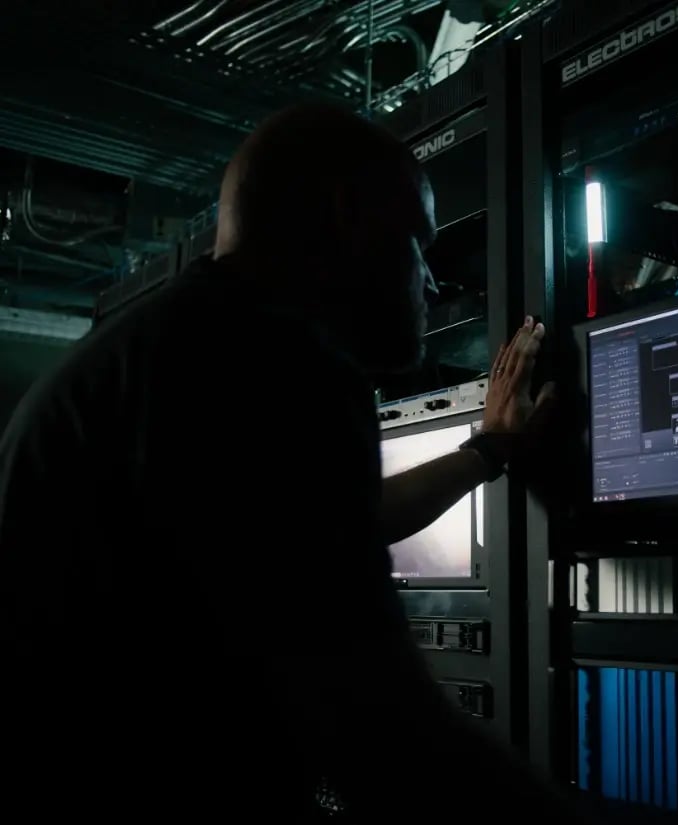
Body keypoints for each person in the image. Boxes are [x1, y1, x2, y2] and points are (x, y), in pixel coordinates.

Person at [0, 103, 560, 823]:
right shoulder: (277, 360)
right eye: (419, 244)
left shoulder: (162, 355)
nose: (431, 280)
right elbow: (384, 737)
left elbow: (337, 526)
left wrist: (489, 448)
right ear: (347, 214)